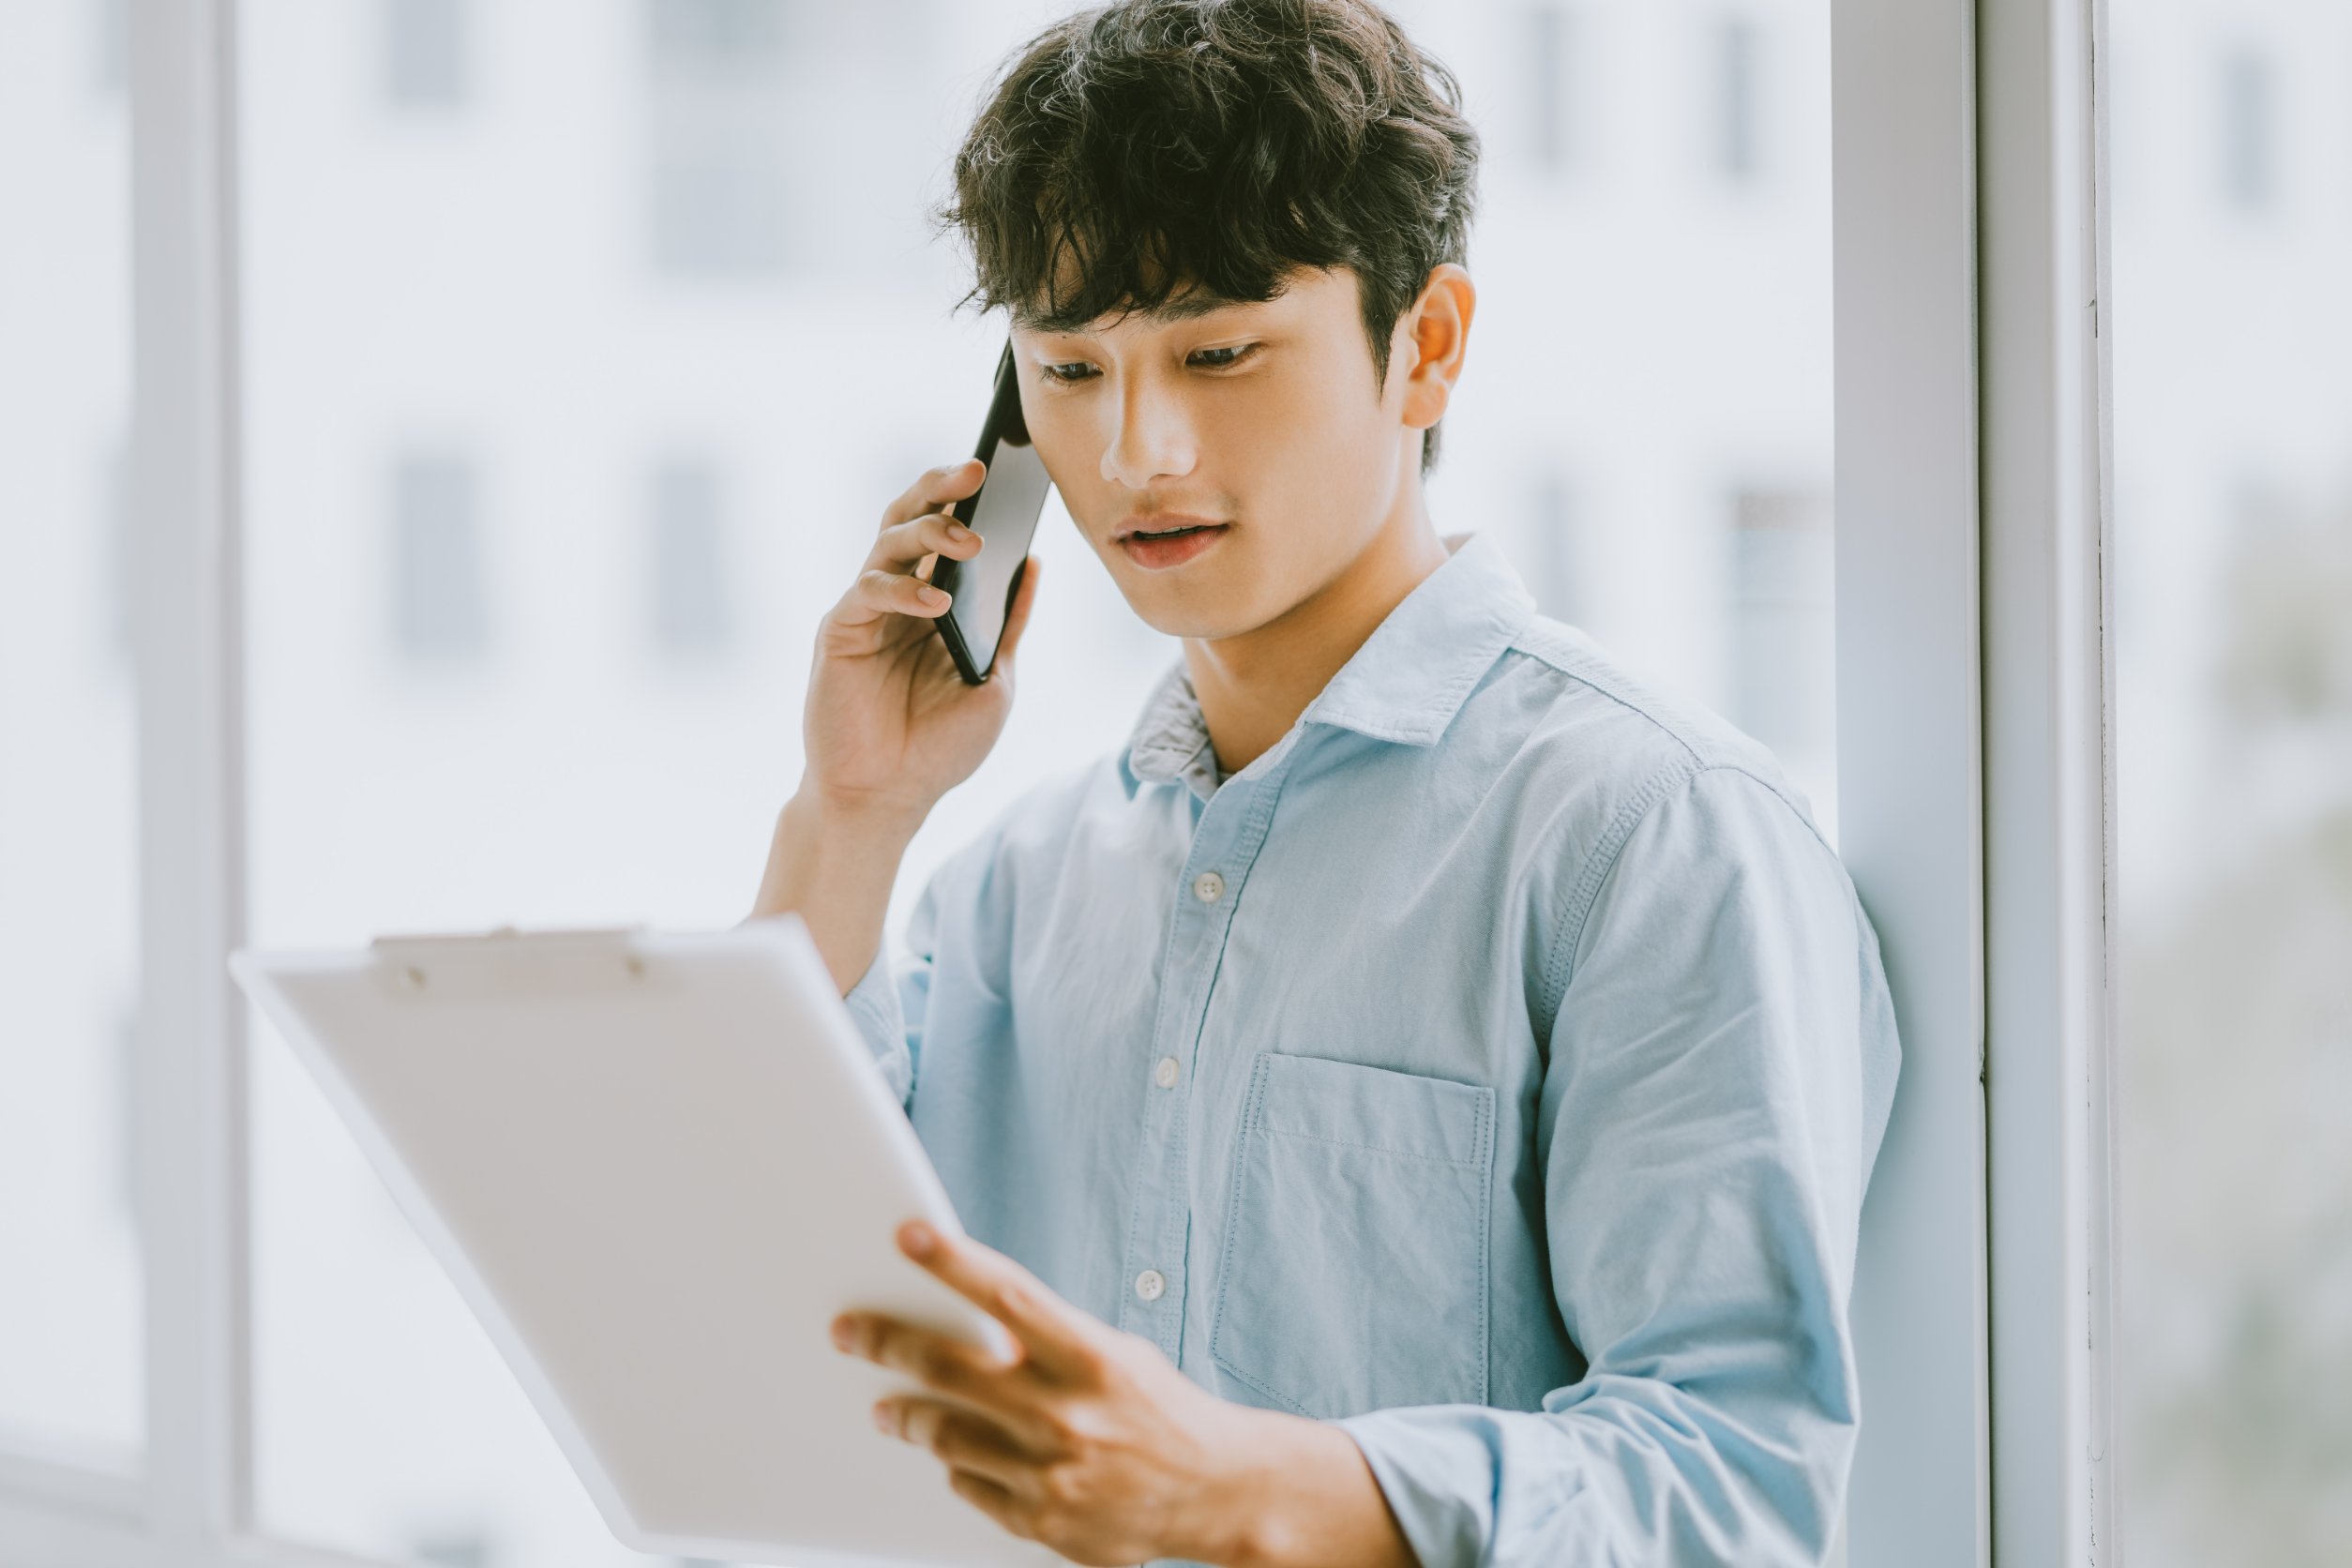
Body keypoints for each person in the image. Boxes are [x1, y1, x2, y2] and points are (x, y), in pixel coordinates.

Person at [750, 2, 1899, 1563]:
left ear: (1423, 346)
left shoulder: (1653, 837)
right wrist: (854, 814)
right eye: (1071, 371)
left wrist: (1239, 1488)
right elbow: (766, 1311)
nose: (1139, 449)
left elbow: (1733, 1487)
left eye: (1218, 352)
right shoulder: (1008, 890)